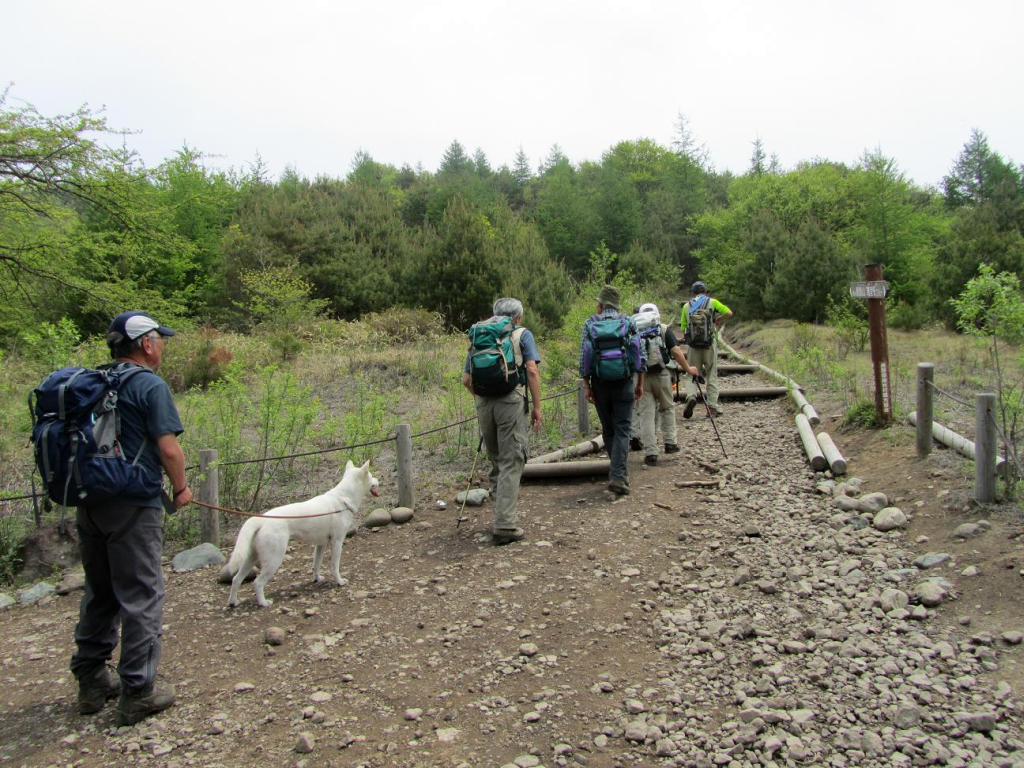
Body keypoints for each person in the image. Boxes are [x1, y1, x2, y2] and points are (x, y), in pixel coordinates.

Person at [71, 311, 192, 726]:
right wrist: (180, 489)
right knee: (141, 593)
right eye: (160, 338)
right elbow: (169, 449)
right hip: (133, 502)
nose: (162, 345)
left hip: (89, 501)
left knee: (101, 589)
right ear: (145, 344)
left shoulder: (95, 381)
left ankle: (91, 680)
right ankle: (138, 690)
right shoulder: (148, 385)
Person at [462, 298, 542, 544]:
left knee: (497, 459)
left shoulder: (480, 335)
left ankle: (500, 514)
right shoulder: (522, 334)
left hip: (484, 403)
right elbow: (531, 370)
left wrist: (484, 398)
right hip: (510, 400)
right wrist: (537, 406)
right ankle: (505, 525)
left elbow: (466, 379)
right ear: (516, 318)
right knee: (512, 459)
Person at [580, 285, 645, 495]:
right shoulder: (628, 322)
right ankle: (618, 475)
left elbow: (584, 358)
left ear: (600, 305)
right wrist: (640, 383)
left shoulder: (590, 324)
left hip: (600, 384)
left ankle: (617, 472)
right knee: (623, 428)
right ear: (616, 305)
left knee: (608, 429)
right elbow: (639, 356)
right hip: (624, 383)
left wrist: (587, 386)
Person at [633, 302, 699, 465]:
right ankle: (670, 443)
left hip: (642, 378)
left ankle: (651, 452)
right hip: (663, 375)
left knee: (646, 415)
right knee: (667, 408)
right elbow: (675, 351)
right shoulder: (662, 328)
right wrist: (688, 369)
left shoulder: (634, 329)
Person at [679, 281, 734, 418]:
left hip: (693, 347)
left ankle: (691, 396)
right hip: (709, 344)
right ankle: (712, 407)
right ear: (705, 292)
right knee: (711, 374)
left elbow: (683, 328)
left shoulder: (687, 306)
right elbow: (729, 313)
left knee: (691, 374)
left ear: (692, 293)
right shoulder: (713, 302)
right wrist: (718, 320)